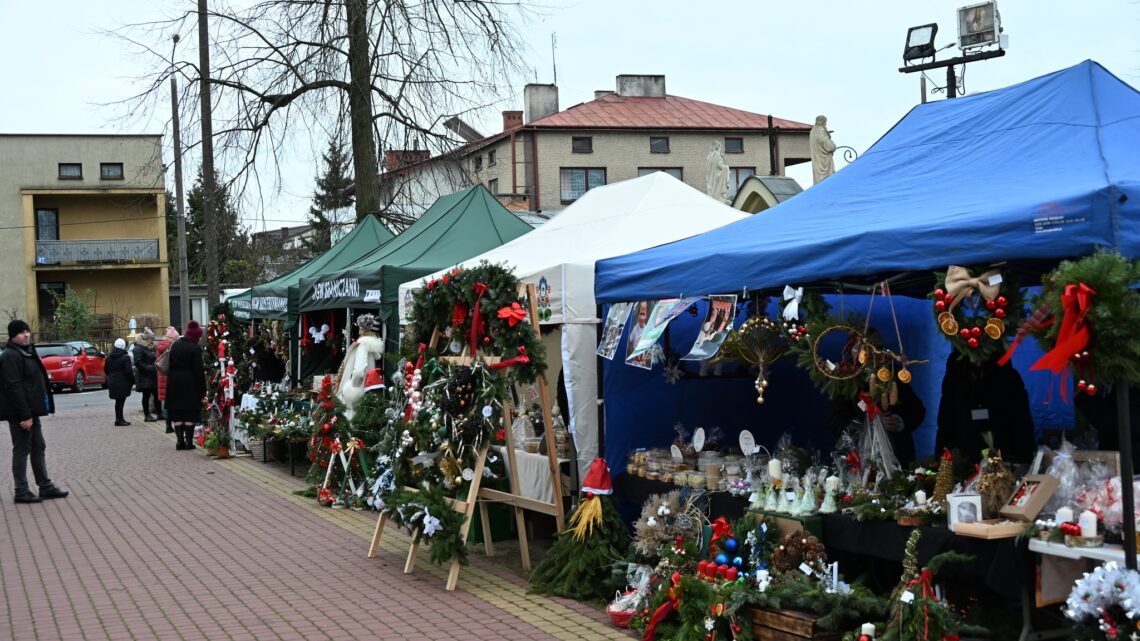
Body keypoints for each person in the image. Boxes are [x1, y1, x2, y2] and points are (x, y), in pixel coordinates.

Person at [1, 320, 68, 504]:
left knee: (38, 446)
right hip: (20, 413)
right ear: (13, 336)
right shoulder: (10, 356)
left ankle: (45, 486)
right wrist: (24, 415)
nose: (26, 335)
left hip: (32, 411)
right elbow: (13, 387)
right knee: (22, 449)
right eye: (21, 332)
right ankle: (21, 490)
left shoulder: (28, 351)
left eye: (27, 331)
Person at [935, 351, 1036, 464]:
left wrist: (1024, 459)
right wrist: (941, 456)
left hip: (1003, 455)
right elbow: (945, 421)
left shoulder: (1008, 376)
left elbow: (1021, 421)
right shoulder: (954, 378)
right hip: (965, 457)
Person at [166, 321, 206, 451]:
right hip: (190, 383)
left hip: (174, 382)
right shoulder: (195, 348)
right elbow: (199, 371)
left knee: (177, 413)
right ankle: (189, 442)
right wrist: (202, 390)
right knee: (190, 413)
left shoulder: (175, 345)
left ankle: (179, 442)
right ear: (195, 336)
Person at [106, 338, 135, 426]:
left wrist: (111, 376)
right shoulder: (125, 357)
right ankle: (120, 419)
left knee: (118, 401)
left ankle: (118, 418)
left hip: (113, 381)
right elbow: (129, 371)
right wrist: (133, 380)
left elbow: (106, 370)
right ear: (124, 347)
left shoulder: (109, 357)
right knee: (121, 401)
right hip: (123, 382)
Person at [133, 328, 159, 422]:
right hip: (144, 376)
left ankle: (159, 413)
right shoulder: (139, 348)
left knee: (156, 394)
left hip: (152, 375)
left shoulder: (150, 347)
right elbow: (138, 362)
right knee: (146, 395)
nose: (153, 340)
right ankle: (147, 415)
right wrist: (150, 368)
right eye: (151, 339)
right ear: (147, 339)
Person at [156, 326, 178, 434]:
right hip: (169, 377)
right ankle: (172, 425)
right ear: (172, 338)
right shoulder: (170, 347)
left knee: (166, 403)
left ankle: (168, 425)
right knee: (172, 403)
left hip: (162, 376)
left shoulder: (160, 345)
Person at [810, 115, 837, 184]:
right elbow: (829, 147)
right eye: (825, 122)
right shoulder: (821, 130)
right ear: (822, 122)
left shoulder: (813, 131)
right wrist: (833, 145)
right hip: (825, 161)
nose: (826, 124)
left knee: (819, 182)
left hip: (817, 160)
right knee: (828, 181)